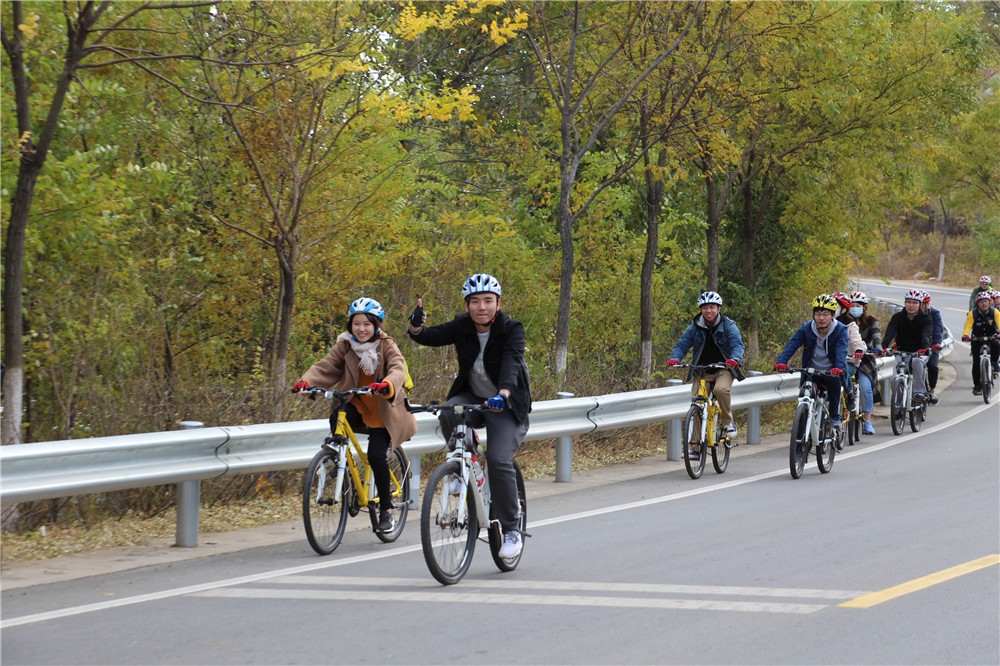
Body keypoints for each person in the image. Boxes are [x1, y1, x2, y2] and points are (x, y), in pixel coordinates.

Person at [408, 273, 532, 560]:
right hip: (473, 398)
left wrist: (503, 393)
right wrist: (416, 326)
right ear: (467, 306)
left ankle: (511, 530)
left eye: (488, 300)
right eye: (475, 301)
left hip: (505, 404)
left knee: (499, 460)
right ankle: (465, 464)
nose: (481, 307)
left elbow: (512, 362)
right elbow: (430, 337)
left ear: (498, 304)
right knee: (448, 412)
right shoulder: (462, 326)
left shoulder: (512, 328)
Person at [292, 297, 417, 534]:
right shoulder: (345, 345)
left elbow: (398, 367)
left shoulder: (386, 344)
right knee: (337, 416)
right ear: (350, 325)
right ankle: (341, 461)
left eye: (367, 324)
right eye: (356, 323)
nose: (361, 329)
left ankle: (386, 510)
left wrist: (387, 384)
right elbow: (327, 366)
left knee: (376, 456)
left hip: (382, 410)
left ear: (376, 325)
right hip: (356, 403)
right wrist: (306, 382)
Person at [667, 291, 746, 446]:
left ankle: (728, 422)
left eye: (712, 307)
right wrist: (675, 358)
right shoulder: (695, 326)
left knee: (721, 390)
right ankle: (694, 446)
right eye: (705, 308)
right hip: (701, 370)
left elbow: (737, 344)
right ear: (701, 309)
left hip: (724, 368)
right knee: (697, 404)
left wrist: (735, 359)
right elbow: (682, 344)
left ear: (718, 308)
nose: (708, 310)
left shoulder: (728, 325)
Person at [774, 294, 850, 431]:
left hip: (831, 372)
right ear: (813, 315)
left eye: (826, 314)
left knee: (834, 384)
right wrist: (782, 361)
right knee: (804, 396)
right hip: (811, 371)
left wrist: (838, 368)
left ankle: (834, 416)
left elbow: (842, 350)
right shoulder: (807, 328)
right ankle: (801, 429)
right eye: (818, 314)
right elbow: (793, 344)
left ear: (833, 315)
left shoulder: (840, 330)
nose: (821, 318)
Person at [882, 288, 932, 403]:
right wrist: (883, 347)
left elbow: (926, 335)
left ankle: (919, 393)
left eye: (914, 303)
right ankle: (899, 401)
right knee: (894, 377)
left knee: (917, 362)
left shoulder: (926, 318)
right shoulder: (897, 317)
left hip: (919, 353)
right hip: (901, 352)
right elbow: (890, 333)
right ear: (905, 303)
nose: (911, 305)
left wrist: (925, 348)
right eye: (908, 302)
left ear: (920, 304)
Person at [848, 291, 882, 434]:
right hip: (847, 358)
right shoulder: (842, 320)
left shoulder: (871, 321)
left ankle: (867, 421)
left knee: (866, 387)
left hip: (865, 360)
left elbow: (876, 335)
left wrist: (878, 347)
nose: (854, 308)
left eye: (858, 306)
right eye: (852, 305)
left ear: (864, 307)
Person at [833, 292, 866, 416]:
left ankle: (849, 393)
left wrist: (858, 351)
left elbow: (856, 340)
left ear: (843, 310)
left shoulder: (851, 325)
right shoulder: (826, 324)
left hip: (848, 362)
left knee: (842, 369)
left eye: (835, 306)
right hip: (830, 362)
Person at [961, 291, 1000, 396]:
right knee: (976, 363)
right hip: (977, 339)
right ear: (977, 303)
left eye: (986, 301)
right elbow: (968, 325)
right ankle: (977, 386)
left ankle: (994, 363)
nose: (984, 304)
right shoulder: (973, 313)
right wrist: (965, 335)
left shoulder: (995, 312)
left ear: (989, 302)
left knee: (997, 344)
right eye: (981, 302)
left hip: (992, 337)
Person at [919, 291, 943, 404]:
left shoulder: (934, 313)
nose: (922, 306)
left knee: (932, 366)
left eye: (924, 304)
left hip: (931, 345)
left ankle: (932, 389)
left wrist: (937, 343)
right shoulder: (911, 313)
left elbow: (938, 329)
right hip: (915, 345)